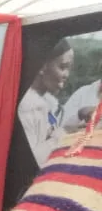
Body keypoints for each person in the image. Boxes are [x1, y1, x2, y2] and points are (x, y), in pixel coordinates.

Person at [18, 39, 74, 167]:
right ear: (42, 66)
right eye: (63, 67)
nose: (67, 75)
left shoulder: (48, 104)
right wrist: (63, 135)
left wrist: (78, 120)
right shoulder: (26, 109)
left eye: (69, 69)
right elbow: (31, 161)